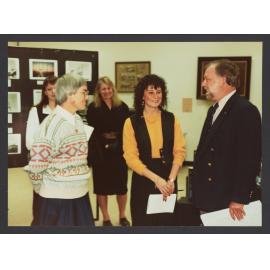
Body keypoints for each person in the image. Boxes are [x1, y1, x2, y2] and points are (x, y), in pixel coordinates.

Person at [192, 59, 261, 221]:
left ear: (223, 80)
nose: (203, 83)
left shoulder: (245, 110)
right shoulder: (214, 109)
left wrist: (239, 198)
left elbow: (250, 159)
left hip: (227, 199)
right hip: (209, 195)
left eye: (207, 79)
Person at [27, 74, 94, 226]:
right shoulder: (52, 124)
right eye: (84, 92)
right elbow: (36, 166)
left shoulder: (77, 119)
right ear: (70, 94)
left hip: (80, 194)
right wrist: (43, 190)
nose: (87, 96)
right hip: (57, 199)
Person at [123, 74, 186, 226]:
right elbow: (130, 157)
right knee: (143, 222)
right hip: (144, 177)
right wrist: (156, 180)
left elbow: (180, 151)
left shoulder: (172, 119)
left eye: (159, 92)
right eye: (151, 92)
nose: (156, 96)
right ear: (142, 96)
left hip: (168, 177)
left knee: (166, 223)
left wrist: (170, 180)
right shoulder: (131, 122)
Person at [86, 76, 130, 226]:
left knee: (121, 187)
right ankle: (106, 217)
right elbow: (92, 132)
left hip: (119, 151)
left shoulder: (122, 106)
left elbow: (127, 130)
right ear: (98, 91)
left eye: (109, 88)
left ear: (113, 89)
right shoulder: (93, 108)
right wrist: (103, 145)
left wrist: (119, 144)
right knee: (101, 187)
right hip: (101, 153)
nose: (106, 91)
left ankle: (123, 216)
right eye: (103, 88)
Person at [25, 75, 57, 226]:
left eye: (55, 88)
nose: (53, 92)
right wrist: (44, 151)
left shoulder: (65, 110)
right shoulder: (35, 111)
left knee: (58, 194)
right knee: (41, 194)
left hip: (59, 160)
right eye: (49, 89)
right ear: (44, 91)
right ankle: (38, 223)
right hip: (41, 160)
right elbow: (29, 140)